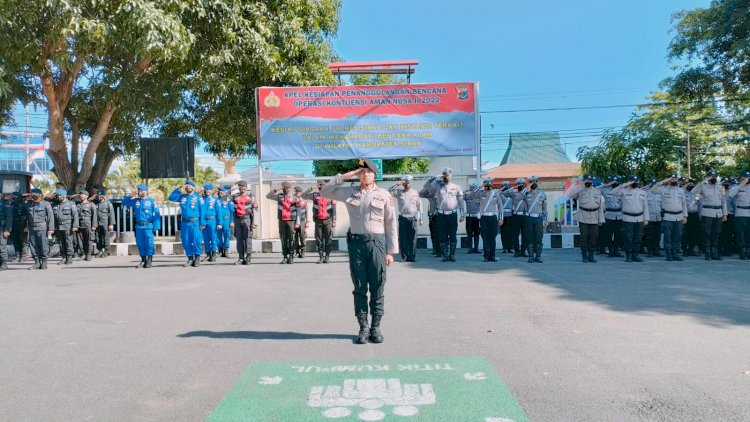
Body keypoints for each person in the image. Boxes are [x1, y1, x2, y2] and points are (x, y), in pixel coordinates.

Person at [320, 159, 398, 344]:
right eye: (362, 172)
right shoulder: (350, 192)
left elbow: (391, 223)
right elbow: (325, 191)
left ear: (374, 175)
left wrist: (391, 251)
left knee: (378, 286)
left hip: (377, 245)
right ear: (359, 174)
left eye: (369, 172)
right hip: (357, 245)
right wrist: (347, 176)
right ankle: (363, 327)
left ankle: (375, 327)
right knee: (360, 287)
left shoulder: (384, 195)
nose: (365, 175)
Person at [422, 167, 465, 262]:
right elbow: (426, 187)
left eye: (448, 175)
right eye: (444, 174)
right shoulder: (437, 186)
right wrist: (434, 178)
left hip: (453, 215)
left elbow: (461, 201)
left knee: (453, 236)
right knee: (442, 236)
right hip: (441, 215)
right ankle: (445, 255)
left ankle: (452, 255)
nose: (446, 176)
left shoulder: (456, 187)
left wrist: (462, 215)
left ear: (451, 176)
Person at [690, 170, 727, 260]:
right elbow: (693, 192)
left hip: (718, 213)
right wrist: (703, 181)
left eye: (715, 176)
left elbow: (723, 201)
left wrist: (725, 214)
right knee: (707, 233)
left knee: (716, 233)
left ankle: (714, 252)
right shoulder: (703, 187)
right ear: (708, 177)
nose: (713, 178)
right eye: (711, 176)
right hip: (707, 212)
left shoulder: (720, 187)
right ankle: (707, 253)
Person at [568, 174, 605, 263]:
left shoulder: (597, 191)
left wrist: (601, 219)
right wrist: (581, 186)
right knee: (584, 236)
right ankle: (584, 255)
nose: (588, 182)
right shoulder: (580, 190)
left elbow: (600, 206)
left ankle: (591, 255)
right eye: (587, 180)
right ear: (584, 181)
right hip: (583, 216)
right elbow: (571, 195)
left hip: (594, 216)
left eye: (590, 180)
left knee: (593, 237)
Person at [122, 184, 161, 268]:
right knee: (140, 243)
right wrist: (130, 195)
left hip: (148, 226)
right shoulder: (136, 201)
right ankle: (143, 260)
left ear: (146, 191)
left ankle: (149, 260)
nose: (140, 192)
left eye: (142, 190)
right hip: (139, 226)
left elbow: (157, 214)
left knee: (149, 243)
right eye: (139, 191)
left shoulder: (151, 201)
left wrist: (156, 226)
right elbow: (124, 202)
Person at [612, 176, 649, 262]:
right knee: (628, 238)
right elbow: (613, 192)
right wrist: (625, 185)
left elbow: (645, 206)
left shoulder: (642, 192)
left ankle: (635, 255)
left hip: (639, 218)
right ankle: (628, 255)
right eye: (633, 181)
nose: (635, 182)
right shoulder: (624, 191)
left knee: (638, 238)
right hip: (628, 218)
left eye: (636, 181)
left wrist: (646, 218)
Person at [169, 180, 205, 267]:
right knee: (185, 241)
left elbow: (202, 211)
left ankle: (197, 258)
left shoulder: (198, 197)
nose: (188, 187)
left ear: (193, 187)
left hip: (195, 223)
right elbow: (171, 198)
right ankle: (190, 258)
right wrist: (179, 189)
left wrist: (202, 223)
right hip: (185, 223)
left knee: (196, 240)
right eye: (187, 186)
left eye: (190, 186)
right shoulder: (182, 197)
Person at [651, 174, 687, 262]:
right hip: (668, 216)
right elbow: (653, 189)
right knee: (667, 236)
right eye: (672, 179)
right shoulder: (663, 189)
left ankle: (675, 253)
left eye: (675, 179)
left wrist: (685, 216)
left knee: (677, 236)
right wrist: (664, 181)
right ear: (668, 180)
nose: (674, 180)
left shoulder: (680, 190)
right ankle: (668, 254)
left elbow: (684, 204)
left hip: (678, 216)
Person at [389, 175, 423, 262]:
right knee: (403, 238)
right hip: (403, 218)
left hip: (413, 218)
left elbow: (419, 206)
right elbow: (389, 191)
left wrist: (421, 218)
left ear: (411, 183)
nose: (407, 184)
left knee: (413, 239)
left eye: (408, 183)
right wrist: (397, 184)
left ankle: (412, 257)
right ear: (403, 184)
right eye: (405, 183)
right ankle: (404, 257)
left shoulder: (415, 193)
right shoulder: (399, 192)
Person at [302, 180, 337, 264]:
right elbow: (303, 195)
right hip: (318, 221)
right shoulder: (314, 195)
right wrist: (311, 188)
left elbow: (334, 209)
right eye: (319, 185)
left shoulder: (330, 195)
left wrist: (334, 220)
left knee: (328, 239)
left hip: (328, 220)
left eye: (322, 185)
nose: (321, 186)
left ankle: (327, 257)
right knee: (319, 239)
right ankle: (321, 257)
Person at [266, 181, 300, 264]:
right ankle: (285, 257)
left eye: (287, 187)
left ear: (289, 188)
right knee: (283, 240)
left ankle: (291, 256)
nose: (285, 188)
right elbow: (268, 196)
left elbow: (298, 210)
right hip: (281, 220)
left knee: (291, 239)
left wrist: (297, 222)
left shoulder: (295, 197)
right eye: (284, 187)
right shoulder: (279, 196)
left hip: (291, 220)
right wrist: (276, 189)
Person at [477, 178, 504, 262]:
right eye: (487, 184)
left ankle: (492, 256)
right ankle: (486, 256)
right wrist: (481, 186)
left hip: (493, 218)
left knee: (492, 237)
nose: (488, 186)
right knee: (485, 237)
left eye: (489, 184)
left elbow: (500, 207)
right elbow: (471, 195)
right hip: (484, 218)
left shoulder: (495, 194)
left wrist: (501, 218)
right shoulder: (480, 193)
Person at [26, 188, 54, 270]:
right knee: (33, 246)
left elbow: (50, 217)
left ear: (40, 195)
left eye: (35, 194)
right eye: (32, 194)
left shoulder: (46, 204)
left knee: (43, 245)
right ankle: (37, 262)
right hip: (31, 228)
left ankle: (44, 262)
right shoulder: (29, 204)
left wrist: (51, 229)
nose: (33, 196)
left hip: (42, 228)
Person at [231, 180, 257, 265]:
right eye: (240, 186)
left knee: (248, 239)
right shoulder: (234, 196)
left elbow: (255, 210)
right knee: (239, 239)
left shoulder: (251, 196)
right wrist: (232, 189)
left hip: (247, 219)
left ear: (246, 187)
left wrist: (254, 222)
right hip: (238, 219)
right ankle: (241, 258)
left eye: (244, 186)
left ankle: (248, 257)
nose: (242, 188)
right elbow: (224, 197)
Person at [598, 176, 624, 257]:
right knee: (608, 234)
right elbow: (595, 189)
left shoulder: (622, 189)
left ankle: (616, 250)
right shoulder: (605, 189)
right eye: (613, 182)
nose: (615, 183)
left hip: (620, 214)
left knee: (618, 234)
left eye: (616, 182)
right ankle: (610, 251)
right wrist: (606, 184)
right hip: (609, 214)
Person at [52, 189, 79, 265]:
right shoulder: (54, 204)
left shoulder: (71, 204)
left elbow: (75, 216)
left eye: (58, 195)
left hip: (68, 226)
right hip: (58, 227)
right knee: (60, 243)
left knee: (68, 242)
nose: (57, 197)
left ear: (64, 196)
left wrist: (75, 226)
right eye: (56, 195)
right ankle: (63, 257)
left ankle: (69, 258)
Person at [523, 177, 547, 263]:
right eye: (531, 182)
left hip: (539, 219)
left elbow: (544, 209)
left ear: (537, 182)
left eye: (535, 181)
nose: (533, 183)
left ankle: (538, 256)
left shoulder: (542, 194)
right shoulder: (525, 193)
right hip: (529, 218)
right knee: (529, 238)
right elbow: (519, 196)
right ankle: (530, 256)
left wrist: (545, 219)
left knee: (539, 238)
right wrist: (527, 186)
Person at [727, 171, 750, 260]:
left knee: (749, 234)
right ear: (741, 178)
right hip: (741, 213)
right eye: (745, 178)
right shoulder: (736, 188)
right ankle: (742, 251)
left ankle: (748, 251)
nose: (747, 179)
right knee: (740, 234)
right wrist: (741, 184)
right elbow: (730, 195)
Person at [505, 178, 528, 257]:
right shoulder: (513, 194)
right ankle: (517, 251)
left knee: (525, 235)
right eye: (519, 184)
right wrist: (514, 187)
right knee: (515, 235)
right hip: (515, 216)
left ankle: (523, 251)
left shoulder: (527, 193)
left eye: (522, 184)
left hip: (525, 216)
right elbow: (505, 193)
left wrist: (527, 187)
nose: (521, 186)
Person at [418, 181, 440, 256]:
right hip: (432, 216)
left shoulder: (442, 192)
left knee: (441, 234)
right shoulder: (430, 193)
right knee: (433, 233)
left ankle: (441, 250)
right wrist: (430, 182)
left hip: (441, 215)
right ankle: (435, 249)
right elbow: (420, 193)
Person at [643, 179, 664, 257]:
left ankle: (656, 250)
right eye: (651, 183)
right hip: (650, 217)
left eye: (654, 183)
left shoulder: (659, 193)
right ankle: (649, 251)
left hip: (658, 217)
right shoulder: (645, 192)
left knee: (657, 235)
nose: (653, 185)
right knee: (649, 235)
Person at [92, 188, 115, 258]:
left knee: (106, 237)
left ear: (103, 196)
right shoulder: (96, 203)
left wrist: (111, 224)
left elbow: (111, 214)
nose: (98, 196)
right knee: (98, 237)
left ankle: (106, 251)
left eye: (100, 195)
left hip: (105, 223)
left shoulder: (108, 204)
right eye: (97, 195)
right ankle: (100, 250)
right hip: (98, 223)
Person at [200, 184, 220, 262]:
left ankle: (214, 254)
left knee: (213, 238)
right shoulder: (202, 199)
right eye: (206, 190)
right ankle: (208, 254)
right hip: (204, 221)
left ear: (212, 191)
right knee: (205, 239)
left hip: (212, 221)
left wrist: (219, 223)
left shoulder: (215, 200)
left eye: (209, 190)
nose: (207, 191)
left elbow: (219, 212)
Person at [682, 178, 701, 256]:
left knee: (694, 233)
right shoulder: (682, 192)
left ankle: (691, 250)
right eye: (689, 184)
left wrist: (700, 215)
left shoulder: (696, 193)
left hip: (695, 215)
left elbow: (699, 204)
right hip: (686, 215)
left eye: (692, 184)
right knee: (685, 233)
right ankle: (684, 250)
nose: (691, 185)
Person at [76, 191, 98, 261]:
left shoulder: (91, 204)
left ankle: (88, 254)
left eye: (83, 194)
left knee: (89, 240)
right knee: (80, 241)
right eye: (81, 194)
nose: (81, 196)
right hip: (80, 225)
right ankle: (83, 254)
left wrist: (94, 225)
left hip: (88, 224)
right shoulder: (78, 205)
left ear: (87, 196)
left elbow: (94, 215)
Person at [10, 192, 30, 262]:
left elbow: (28, 216)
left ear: (18, 197)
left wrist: (27, 226)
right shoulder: (12, 204)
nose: (13, 197)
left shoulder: (25, 204)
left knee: (24, 242)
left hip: (23, 225)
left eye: (14, 196)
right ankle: (18, 256)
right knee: (16, 241)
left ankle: (24, 257)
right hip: (14, 225)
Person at [216, 186, 235, 258]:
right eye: (220, 191)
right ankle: (220, 251)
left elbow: (231, 211)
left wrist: (232, 221)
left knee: (227, 235)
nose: (221, 193)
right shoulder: (216, 200)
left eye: (222, 192)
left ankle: (226, 251)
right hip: (217, 221)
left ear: (225, 192)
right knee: (218, 236)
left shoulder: (228, 200)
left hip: (226, 220)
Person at [464, 182, 481, 254]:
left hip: (477, 218)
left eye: (474, 188)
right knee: (469, 233)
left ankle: (476, 248)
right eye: (471, 188)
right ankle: (470, 248)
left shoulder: (479, 196)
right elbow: (460, 194)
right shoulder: (467, 195)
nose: (472, 189)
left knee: (477, 233)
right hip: (469, 217)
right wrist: (467, 190)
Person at [293, 186, 309, 259]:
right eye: (296, 192)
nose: (297, 193)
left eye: (298, 192)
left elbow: (307, 211)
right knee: (295, 237)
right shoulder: (292, 200)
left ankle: (303, 251)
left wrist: (307, 221)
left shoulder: (304, 200)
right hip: (294, 220)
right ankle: (296, 251)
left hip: (302, 220)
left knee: (302, 236)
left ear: (301, 193)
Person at [499, 181, 514, 254]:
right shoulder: (500, 194)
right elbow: (498, 192)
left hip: (511, 215)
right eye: (505, 186)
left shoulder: (512, 194)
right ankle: (504, 248)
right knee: (503, 233)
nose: (506, 187)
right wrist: (503, 188)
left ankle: (510, 248)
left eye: (507, 185)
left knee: (510, 233)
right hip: (503, 215)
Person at [0, 193, 11, 271]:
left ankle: (4, 263)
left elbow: (9, 218)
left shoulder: (6, 204)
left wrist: (7, 230)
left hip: (2, 227)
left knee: (2, 246)